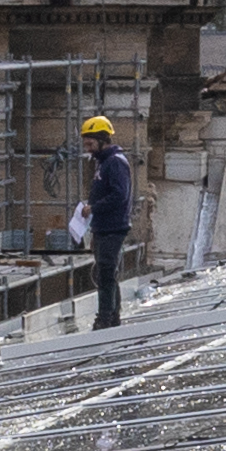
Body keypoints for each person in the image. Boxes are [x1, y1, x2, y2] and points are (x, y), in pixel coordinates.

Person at [76, 111, 139, 330]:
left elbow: (119, 195)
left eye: (90, 142)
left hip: (114, 227)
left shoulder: (115, 162)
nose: (87, 146)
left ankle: (105, 318)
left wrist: (94, 208)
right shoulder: (103, 162)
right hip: (103, 227)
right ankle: (112, 316)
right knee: (107, 272)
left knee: (105, 272)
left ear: (103, 139)